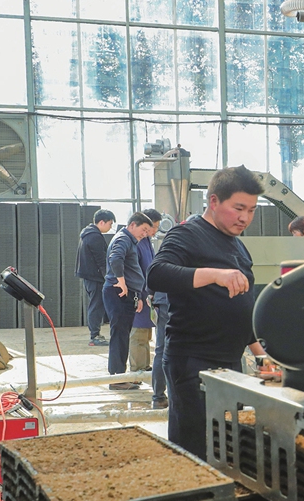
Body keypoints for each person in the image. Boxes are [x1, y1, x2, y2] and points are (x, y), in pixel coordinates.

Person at [149, 167, 266, 459]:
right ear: (214, 202)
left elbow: (243, 305)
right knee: (197, 448)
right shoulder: (187, 234)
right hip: (193, 363)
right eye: (238, 208)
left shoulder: (238, 246)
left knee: (226, 445)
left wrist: (260, 354)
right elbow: (157, 274)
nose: (245, 218)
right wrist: (214, 274)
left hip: (229, 361)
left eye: (251, 210)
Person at [103, 211, 157, 390]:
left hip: (128, 294)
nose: (145, 234)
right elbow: (115, 259)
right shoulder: (123, 239)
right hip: (118, 292)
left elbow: (132, 268)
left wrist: (137, 295)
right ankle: (117, 379)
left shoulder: (132, 241)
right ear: (132, 225)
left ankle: (120, 376)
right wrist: (122, 282)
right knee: (119, 336)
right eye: (144, 229)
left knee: (123, 335)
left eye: (148, 231)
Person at [128, 209, 163, 375]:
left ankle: (144, 365)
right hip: (140, 294)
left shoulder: (147, 242)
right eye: (153, 227)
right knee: (138, 334)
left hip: (148, 293)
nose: (154, 230)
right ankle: (136, 369)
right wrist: (140, 295)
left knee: (146, 334)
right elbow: (136, 271)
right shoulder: (136, 242)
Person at [75, 209, 114, 346]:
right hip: (96, 277)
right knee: (96, 306)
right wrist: (110, 278)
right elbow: (101, 260)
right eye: (110, 223)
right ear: (102, 222)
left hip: (89, 277)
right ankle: (95, 336)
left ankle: (95, 334)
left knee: (96, 305)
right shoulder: (95, 236)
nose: (111, 227)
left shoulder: (87, 234)